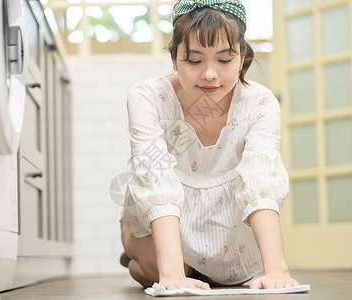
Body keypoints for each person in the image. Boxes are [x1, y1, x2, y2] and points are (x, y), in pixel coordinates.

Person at [120, 0, 299, 291]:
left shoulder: (260, 103)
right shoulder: (148, 97)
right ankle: (144, 263)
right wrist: (172, 277)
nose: (210, 74)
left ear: (242, 56)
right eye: (194, 60)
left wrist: (277, 271)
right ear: (174, 57)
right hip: (164, 224)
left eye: (225, 60)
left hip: (226, 234)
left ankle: (194, 271)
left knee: (228, 277)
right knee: (157, 268)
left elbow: (261, 180)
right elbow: (155, 179)